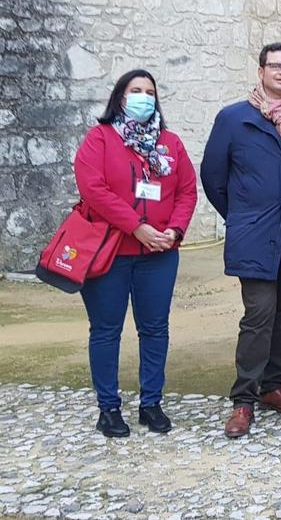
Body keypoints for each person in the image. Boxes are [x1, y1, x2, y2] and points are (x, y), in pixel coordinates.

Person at [201, 42, 281, 439]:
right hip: (255, 236)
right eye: (274, 66)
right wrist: (242, 216)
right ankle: (244, 398)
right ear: (261, 71)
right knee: (258, 316)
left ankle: (274, 385)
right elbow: (213, 177)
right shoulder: (234, 119)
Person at [74, 70, 198, 437]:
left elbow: (187, 191)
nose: (144, 96)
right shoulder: (100, 139)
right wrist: (136, 226)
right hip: (109, 253)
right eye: (136, 90)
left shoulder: (170, 143)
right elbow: (93, 189)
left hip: (158, 254)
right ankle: (108, 407)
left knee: (155, 328)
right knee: (106, 330)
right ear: (121, 97)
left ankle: (151, 403)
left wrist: (173, 230)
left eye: (149, 92)